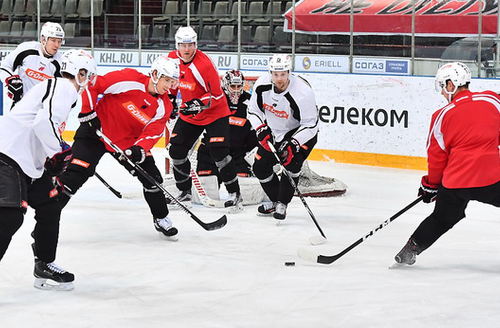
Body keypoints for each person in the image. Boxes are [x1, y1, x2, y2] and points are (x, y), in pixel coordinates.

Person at [0, 49, 96, 291]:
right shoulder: (63, 86)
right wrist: (60, 151)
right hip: (9, 154)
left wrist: (54, 153)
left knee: (51, 204)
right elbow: (44, 123)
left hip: (30, 162)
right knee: (10, 216)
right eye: (89, 75)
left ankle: (44, 263)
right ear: (80, 73)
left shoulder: (60, 91)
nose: (90, 81)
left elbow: (44, 125)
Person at [56, 55, 180, 240]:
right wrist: (89, 112)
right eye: (167, 80)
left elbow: (153, 132)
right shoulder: (129, 79)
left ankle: (161, 218)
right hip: (95, 133)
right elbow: (93, 84)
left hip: (127, 143)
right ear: (155, 74)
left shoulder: (164, 105)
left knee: (153, 179)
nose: (169, 86)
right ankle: (47, 220)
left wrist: (139, 149)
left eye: (172, 81)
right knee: (73, 176)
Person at [394, 62, 500, 265]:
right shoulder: (492, 100)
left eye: (443, 87)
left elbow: (437, 157)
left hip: (455, 184)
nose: (442, 93)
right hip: (491, 180)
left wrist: (430, 185)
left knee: (442, 219)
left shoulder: (441, 116)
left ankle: (408, 252)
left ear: (451, 85)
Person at [167, 26, 242, 208]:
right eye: (183, 45)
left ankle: (234, 193)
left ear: (196, 44)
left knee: (218, 152)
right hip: (191, 114)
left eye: (190, 45)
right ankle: (184, 192)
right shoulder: (171, 59)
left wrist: (198, 104)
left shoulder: (204, 64)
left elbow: (216, 95)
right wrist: (170, 100)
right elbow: (171, 82)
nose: (187, 49)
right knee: (176, 151)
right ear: (177, 45)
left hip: (214, 112)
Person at [247, 54, 319, 220]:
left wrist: (293, 144)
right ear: (270, 72)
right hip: (273, 131)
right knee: (260, 168)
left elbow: (311, 124)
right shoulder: (261, 85)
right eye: (276, 74)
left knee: (292, 164)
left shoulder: (302, 92)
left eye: (283, 74)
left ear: (289, 72)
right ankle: (275, 201)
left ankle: (282, 203)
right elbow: (253, 111)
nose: (279, 79)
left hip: (299, 133)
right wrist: (260, 129)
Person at [196, 69, 258, 181]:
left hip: (239, 154)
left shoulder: (250, 103)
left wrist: (252, 152)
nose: (236, 90)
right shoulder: (215, 100)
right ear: (225, 85)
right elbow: (197, 124)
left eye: (239, 86)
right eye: (233, 86)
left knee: (244, 189)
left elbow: (254, 130)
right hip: (211, 151)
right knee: (207, 186)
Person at [0, 22, 65, 108]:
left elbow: (63, 91)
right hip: (20, 106)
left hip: (43, 112)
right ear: (43, 39)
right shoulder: (26, 50)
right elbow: (4, 67)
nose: (56, 45)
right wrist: (10, 81)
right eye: (53, 40)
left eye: (59, 41)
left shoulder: (60, 63)